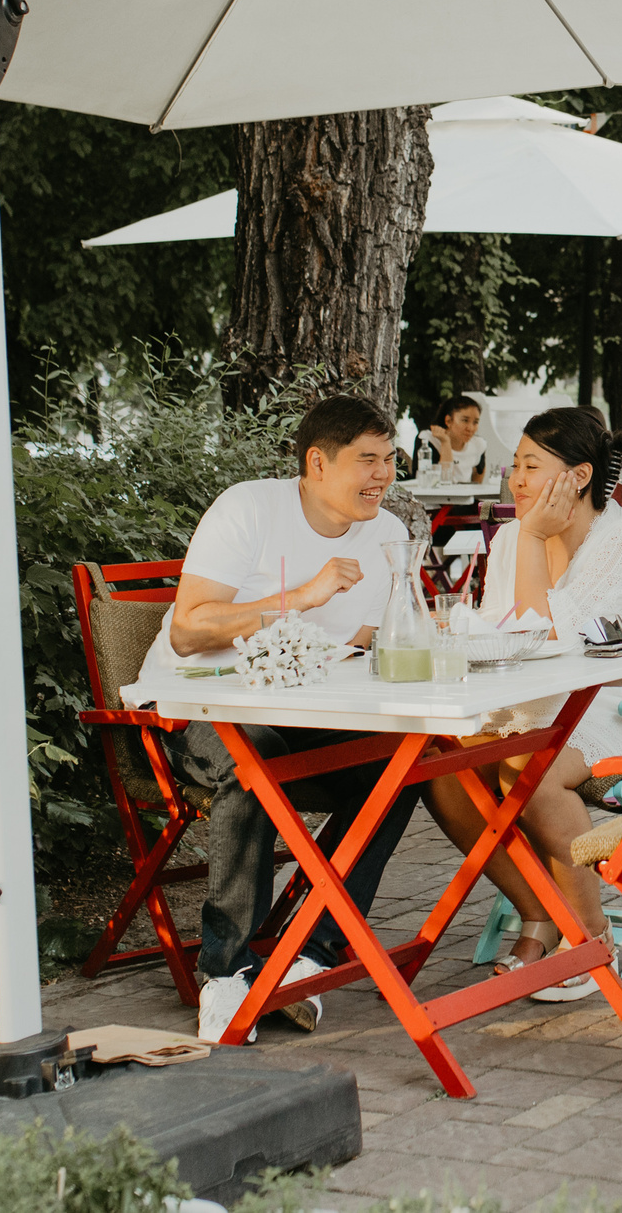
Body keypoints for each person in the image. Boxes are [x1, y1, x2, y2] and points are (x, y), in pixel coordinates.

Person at [153, 396, 425, 1043]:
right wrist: (301, 596)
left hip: (308, 711)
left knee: (405, 764)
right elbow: (190, 631)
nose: (384, 474)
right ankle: (224, 970)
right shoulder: (250, 509)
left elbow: (368, 642)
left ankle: (309, 954)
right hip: (200, 705)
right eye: (368, 459)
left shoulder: (388, 533)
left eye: (390, 459)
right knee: (257, 761)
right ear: (317, 462)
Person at [423, 407, 622, 1001]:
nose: (516, 480)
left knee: (530, 775)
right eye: (515, 465)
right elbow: (498, 628)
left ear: (579, 476)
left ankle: (591, 943)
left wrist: (535, 537)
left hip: (617, 705)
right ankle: (540, 914)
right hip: (533, 702)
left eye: (532, 466)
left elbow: (553, 639)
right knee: (442, 773)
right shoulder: (514, 535)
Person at [422, 394, 487, 483]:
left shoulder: (478, 444)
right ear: (448, 420)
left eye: (475, 422)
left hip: (465, 496)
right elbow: (443, 481)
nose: (470, 428)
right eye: (465, 420)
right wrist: (445, 442)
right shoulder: (428, 440)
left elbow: (478, 477)